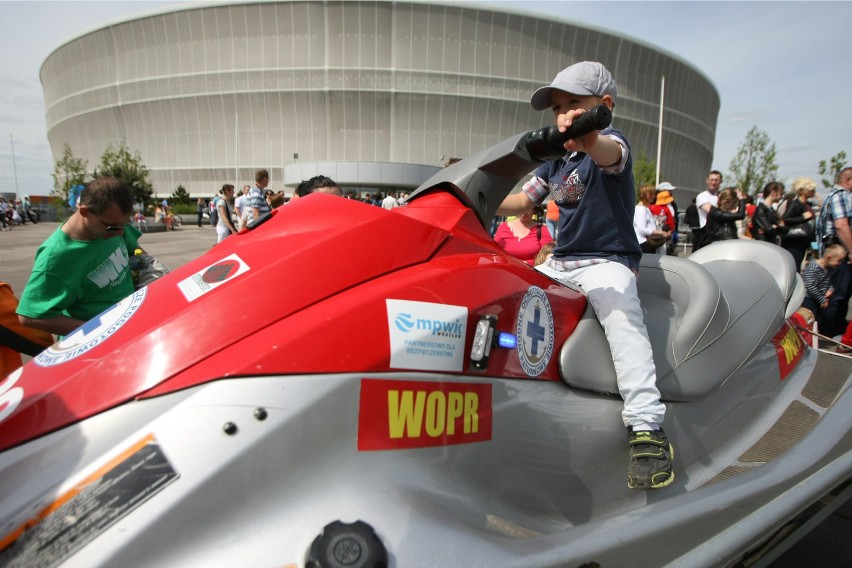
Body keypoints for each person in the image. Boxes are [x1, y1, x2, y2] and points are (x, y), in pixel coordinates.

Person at [497, 61, 673, 490]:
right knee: (504, 290)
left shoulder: (609, 145)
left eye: (574, 104)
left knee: (621, 317)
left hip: (605, 259)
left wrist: (592, 137)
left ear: (604, 105)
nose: (563, 115)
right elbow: (522, 202)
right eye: (558, 107)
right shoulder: (556, 163)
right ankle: (504, 400)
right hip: (562, 260)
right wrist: (470, 192)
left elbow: (611, 156)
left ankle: (647, 426)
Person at [16, 176, 142, 336]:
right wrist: (98, 330)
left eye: (123, 225)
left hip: (130, 325)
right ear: (85, 212)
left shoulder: (113, 225)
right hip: (99, 345)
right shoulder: (56, 256)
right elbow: (29, 316)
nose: (120, 233)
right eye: (112, 226)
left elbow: (136, 250)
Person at [816, 167, 852, 337]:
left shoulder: (833, 195)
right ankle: (829, 328)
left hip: (835, 250)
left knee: (837, 292)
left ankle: (834, 326)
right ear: (848, 180)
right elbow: (841, 225)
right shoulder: (842, 196)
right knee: (837, 293)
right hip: (838, 251)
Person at [801, 244, 847, 336]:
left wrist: (830, 289)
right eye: (839, 260)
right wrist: (822, 299)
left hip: (817, 299)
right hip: (808, 298)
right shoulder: (813, 267)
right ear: (829, 257)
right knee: (808, 319)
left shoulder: (827, 268)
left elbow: (828, 282)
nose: (840, 263)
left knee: (817, 320)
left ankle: (814, 336)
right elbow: (809, 286)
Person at [781, 177, 818, 271]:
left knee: (798, 265)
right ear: (803, 190)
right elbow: (786, 218)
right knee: (794, 266)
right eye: (812, 189)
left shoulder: (808, 204)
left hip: (804, 240)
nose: (814, 191)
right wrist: (803, 218)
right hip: (794, 241)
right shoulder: (796, 203)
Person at [634, 184, 670, 254]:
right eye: (651, 194)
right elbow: (642, 230)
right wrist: (661, 233)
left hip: (646, 242)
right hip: (644, 243)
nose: (653, 196)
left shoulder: (645, 208)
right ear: (644, 194)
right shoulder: (641, 209)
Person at [694, 170, 723, 250]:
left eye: (716, 180)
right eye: (711, 180)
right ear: (707, 181)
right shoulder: (702, 196)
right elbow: (712, 212)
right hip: (707, 233)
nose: (713, 182)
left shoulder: (722, 196)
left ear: (721, 181)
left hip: (721, 232)